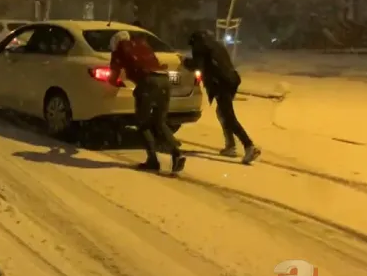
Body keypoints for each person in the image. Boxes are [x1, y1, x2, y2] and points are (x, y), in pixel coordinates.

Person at [108, 30, 186, 173]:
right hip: (164, 81)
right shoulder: (142, 45)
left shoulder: (120, 49)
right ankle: (177, 153)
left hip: (148, 83)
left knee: (142, 123)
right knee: (160, 121)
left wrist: (116, 83)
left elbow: (113, 74)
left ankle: (152, 160)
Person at [184, 30, 261, 164]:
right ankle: (230, 145)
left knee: (228, 116)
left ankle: (249, 146)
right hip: (232, 79)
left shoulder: (201, 48)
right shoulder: (216, 45)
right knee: (222, 112)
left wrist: (185, 62)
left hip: (221, 82)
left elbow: (198, 65)